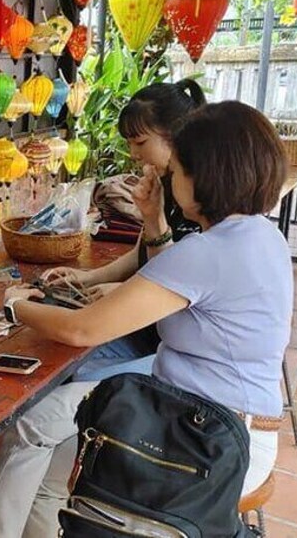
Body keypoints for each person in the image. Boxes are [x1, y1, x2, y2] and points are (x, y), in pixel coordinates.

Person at [0, 101, 292, 537]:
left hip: (210, 440)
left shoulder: (210, 251)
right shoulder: (259, 234)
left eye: (178, 169)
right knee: (44, 443)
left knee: (37, 430)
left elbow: (83, 329)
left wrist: (15, 304)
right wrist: (153, 218)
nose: (172, 177)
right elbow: (178, 283)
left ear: (204, 175)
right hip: (211, 417)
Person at [46, 79, 205, 382]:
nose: (133, 154)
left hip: (174, 352)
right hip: (147, 332)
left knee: (73, 376)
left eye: (140, 143)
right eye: (129, 143)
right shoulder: (168, 187)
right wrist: (89, 277)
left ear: (177, 136)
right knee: (62, 360)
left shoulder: (203, 203)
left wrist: (16, 306)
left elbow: (179, 288)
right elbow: (146, 252)